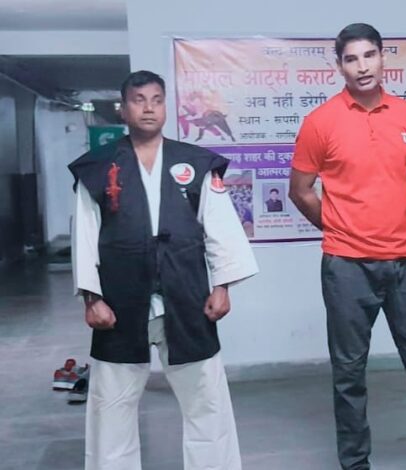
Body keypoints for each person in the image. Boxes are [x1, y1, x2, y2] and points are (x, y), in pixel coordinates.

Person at [289, 23, 406, 470]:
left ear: (383, 58)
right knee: (349, 374)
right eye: (351, 59)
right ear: (339, 66)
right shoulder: (320, 122)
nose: (362, 67)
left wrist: (400, 208)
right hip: (347, 266)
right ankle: (355, 464)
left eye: (369, 56)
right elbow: (300, 190)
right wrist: (339, 226)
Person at [69, 70, 258, 470]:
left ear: (166, 106)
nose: (149, 108)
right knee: (112, 406)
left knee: (207, 401)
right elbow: (84, 234)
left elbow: (220, 227)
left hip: (186, 294)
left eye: (156, 100)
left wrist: (222, 286)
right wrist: (91, 297)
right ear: (123, 109)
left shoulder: (196, 163)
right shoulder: (98, 167)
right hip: (121, 298)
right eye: (139, 100)